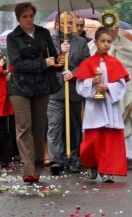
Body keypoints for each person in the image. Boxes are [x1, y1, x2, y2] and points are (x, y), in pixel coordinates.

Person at [7, 2, 59, 183]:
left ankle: (37, 167)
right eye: (24, 17)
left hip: (41, 85)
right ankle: (28, 168)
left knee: (38, 127)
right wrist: (42, 64)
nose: (29, 19)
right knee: (24, 126)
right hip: (20, 87)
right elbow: (17, 64)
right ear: (18, 18)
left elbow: (53, 55)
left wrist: (60, 57)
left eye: (31, 16)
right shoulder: (13, 37)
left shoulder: (44, 33)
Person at [74, 27, 129, 183]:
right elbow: (80, 86)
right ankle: (92, 164)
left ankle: (107, 170)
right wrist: (92, 81)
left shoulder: (115, 63)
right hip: (94, 106)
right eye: (103, 41)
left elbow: (121, 85)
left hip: (110, 106)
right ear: (96, 42)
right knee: (93, 140)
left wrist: (107, 87)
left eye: (109, 42)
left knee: (109, 140)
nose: (106, 44)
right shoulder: (88, 63)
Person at [89, 15, 132, 161]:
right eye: (108, 28)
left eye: (114, 28)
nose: (111, 31)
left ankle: (125, 153)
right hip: (100, 92)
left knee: (121, 121)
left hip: (121, 92)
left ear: (118, 28)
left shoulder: (129, 47)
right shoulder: (91, 47)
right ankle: (101, 154)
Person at [48, 12, 90, 175]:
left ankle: (73, 159)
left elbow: (87, 63)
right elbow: (48, 61)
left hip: (74, 91)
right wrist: (60, 54)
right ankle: (56, 160)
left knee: (74, 128)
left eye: (71, 23)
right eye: (66, 23)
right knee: (55, 126)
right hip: (55, 91)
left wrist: (74, 73)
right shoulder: (50, 41)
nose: (70, 26)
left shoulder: (81, 43)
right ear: (58, 24)